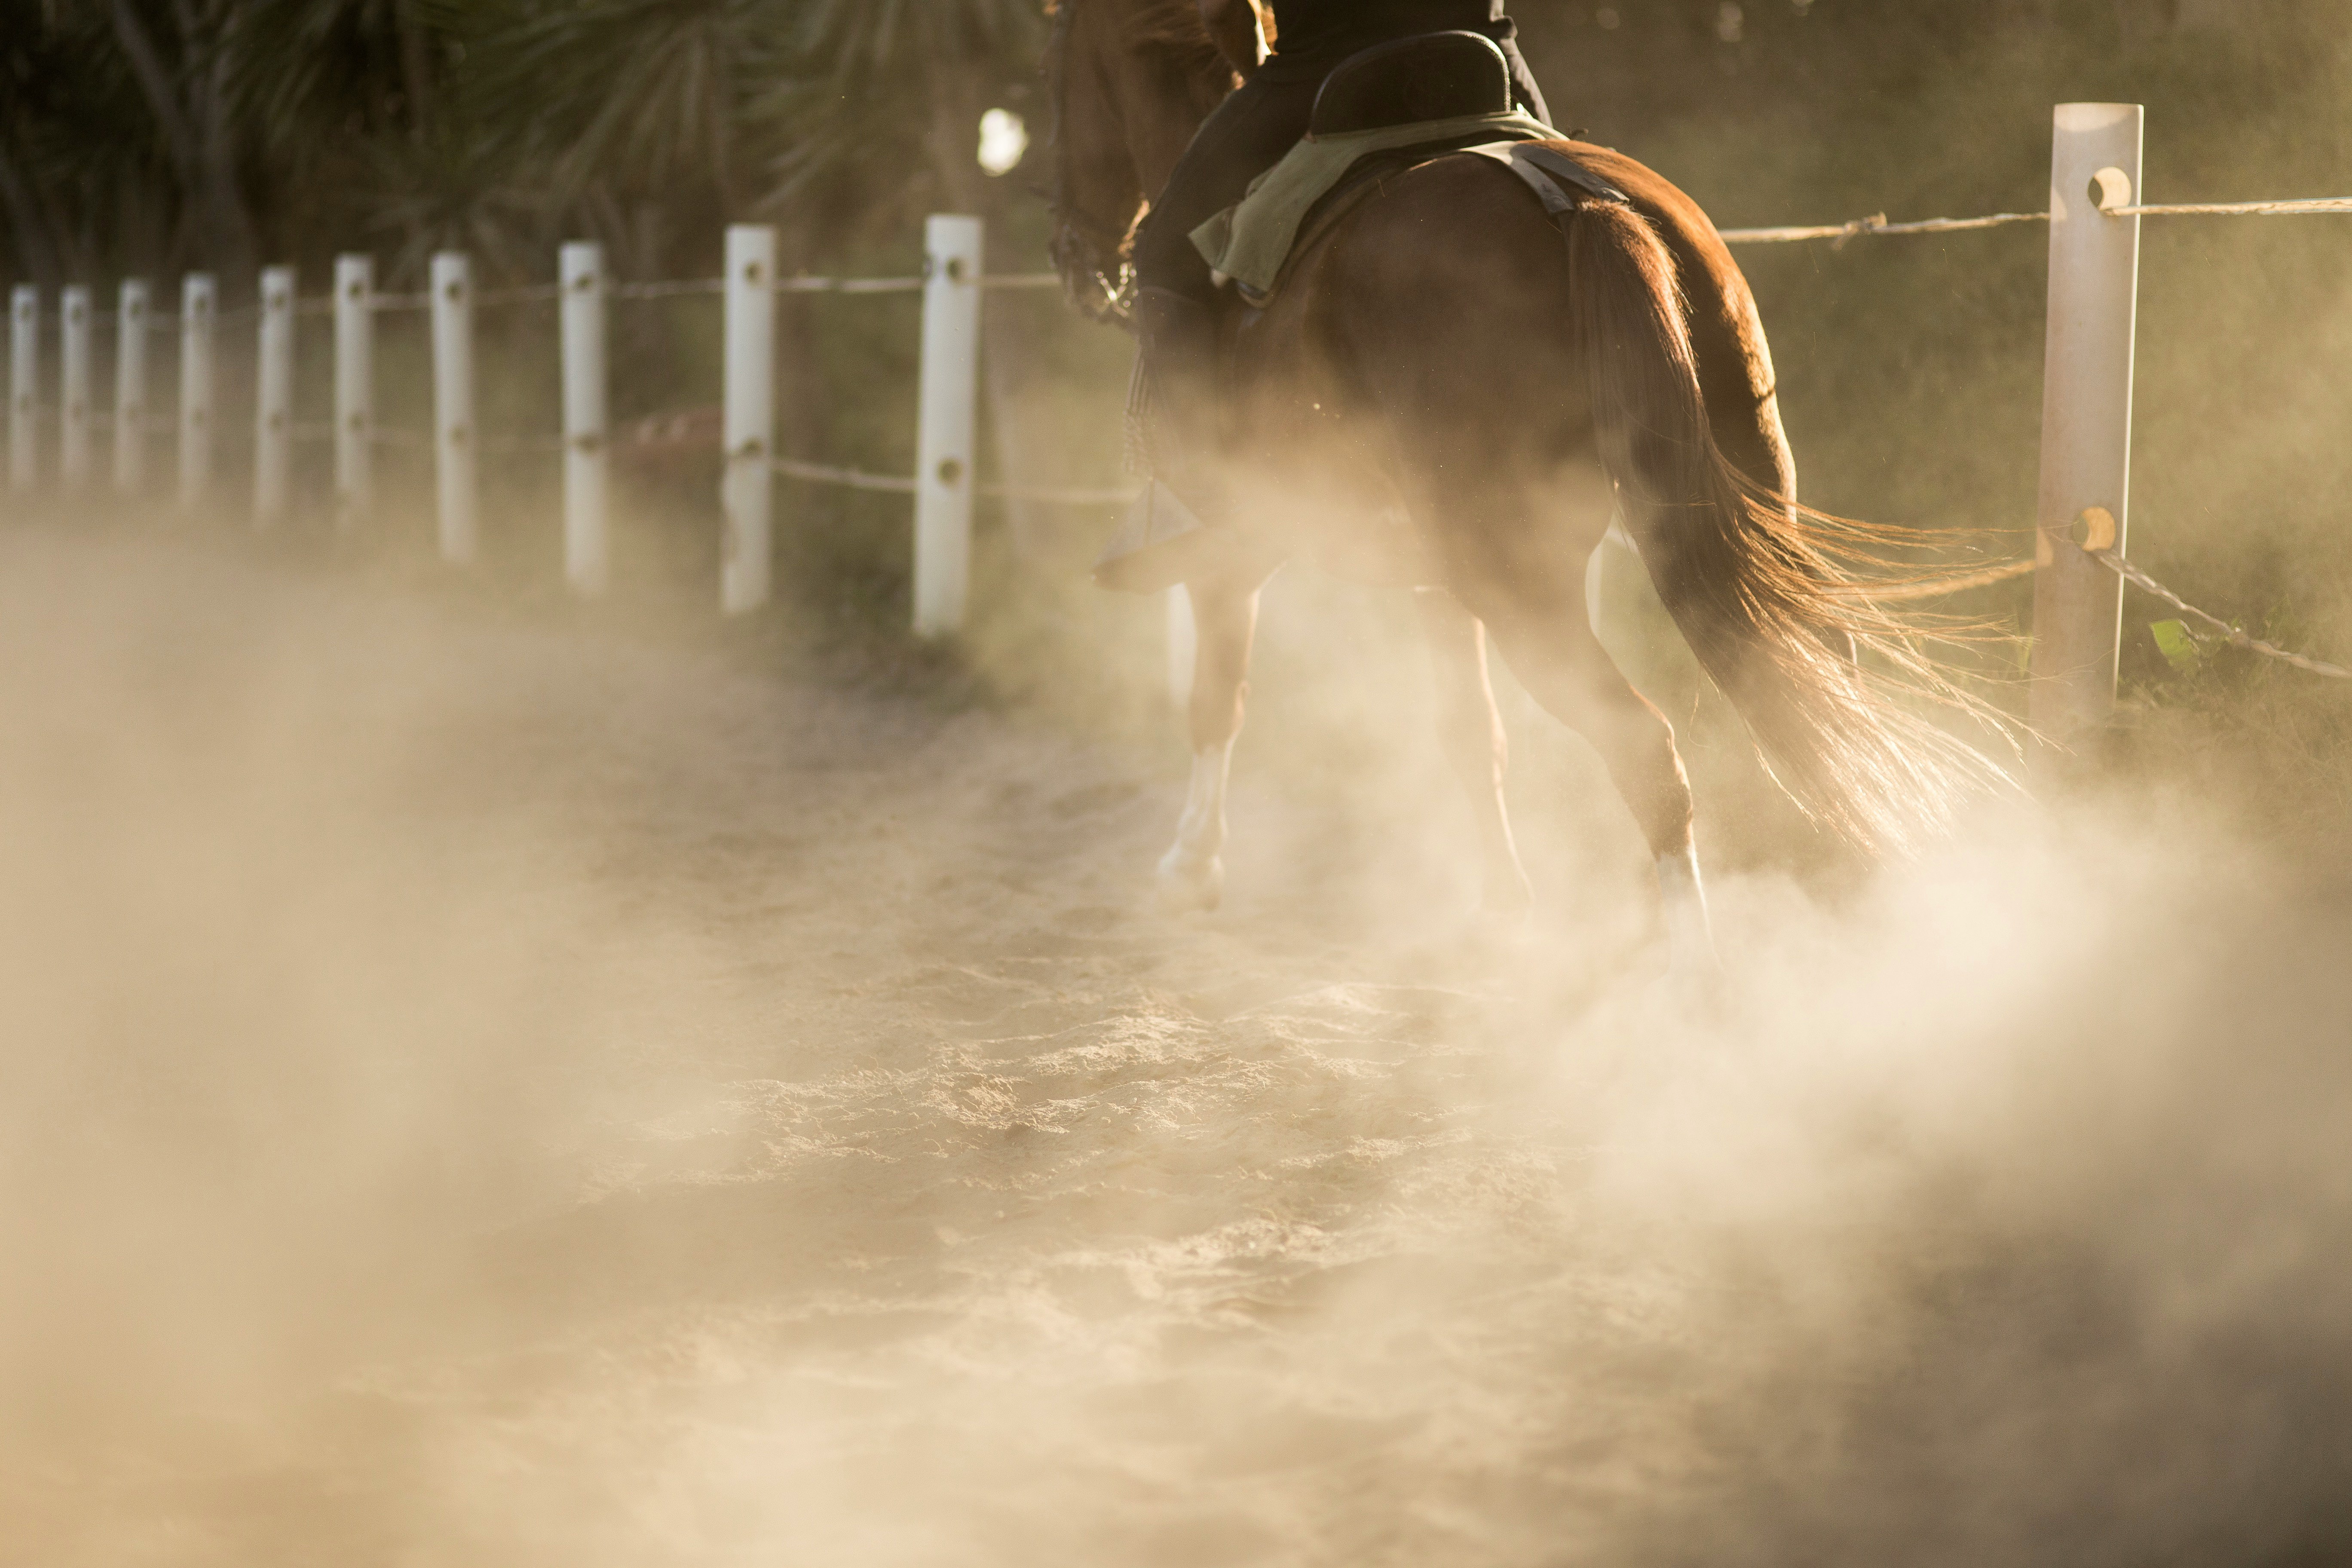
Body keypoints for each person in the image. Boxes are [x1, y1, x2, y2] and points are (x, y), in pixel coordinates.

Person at [1126, 1, 1550, 527]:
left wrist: (1262, 74)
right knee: (1584, 200)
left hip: (1325, 75)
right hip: (1487, 68)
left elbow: (1220, 12)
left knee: (1163, 253)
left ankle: (1205, 495)